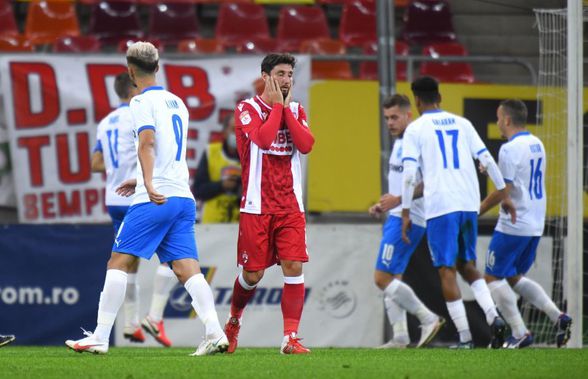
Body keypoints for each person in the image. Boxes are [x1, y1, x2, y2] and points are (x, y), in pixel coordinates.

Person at [66, 41, 228, 356]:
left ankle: (100, 336)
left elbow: (148, 143)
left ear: (131, 71)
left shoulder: (139, 102)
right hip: (182, 196)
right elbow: (170, 149)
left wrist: (148, 183)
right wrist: (140, 177)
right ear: (157, 67)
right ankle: (215, 332)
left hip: (155, 196)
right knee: (187, 269)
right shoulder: (177, 102)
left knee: (119, 261)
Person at [401, 76, 513, 349]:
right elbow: (487, 158)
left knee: (446, 270)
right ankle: (493, 317)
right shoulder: (463, 124)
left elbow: (407, 175)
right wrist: (503, 192)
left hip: (442, 206)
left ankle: (464, 337)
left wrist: (405, 211)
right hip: (468, 204)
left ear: (416, 100)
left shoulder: (416, 129)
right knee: (467, 265)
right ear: (439, 96)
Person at [224, 53, 315, 354]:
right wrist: (277, 107)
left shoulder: (298, 110)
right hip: (256, 205)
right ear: (265, 76)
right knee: (253, 275)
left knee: (294, 265)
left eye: (290, 74)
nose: (287, 80)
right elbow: (262, 140)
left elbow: (306, 145)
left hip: (290, 205)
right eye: (280, 74)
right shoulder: (247, 108)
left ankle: (290, 337)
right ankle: (234, 320)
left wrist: (286, 110)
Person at [91, 72, 178, 347]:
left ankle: (130, 324)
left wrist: (116, 168)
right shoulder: (138, 114)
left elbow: (95, 163)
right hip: (138, 194)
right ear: (134, 88)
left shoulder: (105, 122)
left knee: (128, 262)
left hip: (113, 197)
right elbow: (151, 147)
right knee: (173, 256)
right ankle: (154, 316)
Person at [479, 99, 572, 348]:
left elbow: (503, 190)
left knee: (491, 277)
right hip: (534, 222)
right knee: (513, 276)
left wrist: (477, 210)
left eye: (499, 118)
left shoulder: (509, 149)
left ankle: (520, 332)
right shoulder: (536, 143)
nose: (498, 122)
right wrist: (492, 171)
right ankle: (558, 317)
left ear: (507, 120)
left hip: (513, 222)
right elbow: (518, 181)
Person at [368, 94, 444, 349]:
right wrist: (384, 204)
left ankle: (428, 318)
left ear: (408, 115)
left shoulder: (413, 144)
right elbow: (403, 183)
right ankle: (400, 336)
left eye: (394, 117)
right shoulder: (402, 144)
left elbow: (427, 183)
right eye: (386, 118)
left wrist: (401, 206)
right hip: (400, 214)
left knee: (382, 278)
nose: (390, 122)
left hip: (407, 218)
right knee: (394, 279)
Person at [193, 114, 241, 223]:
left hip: (239, 226)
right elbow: (198, 190)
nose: (237, 134)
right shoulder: (211, 152)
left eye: (240, 131)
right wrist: (222, 185)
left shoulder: (251, 156)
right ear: (224, 132)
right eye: (233, 130)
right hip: (211, 224)